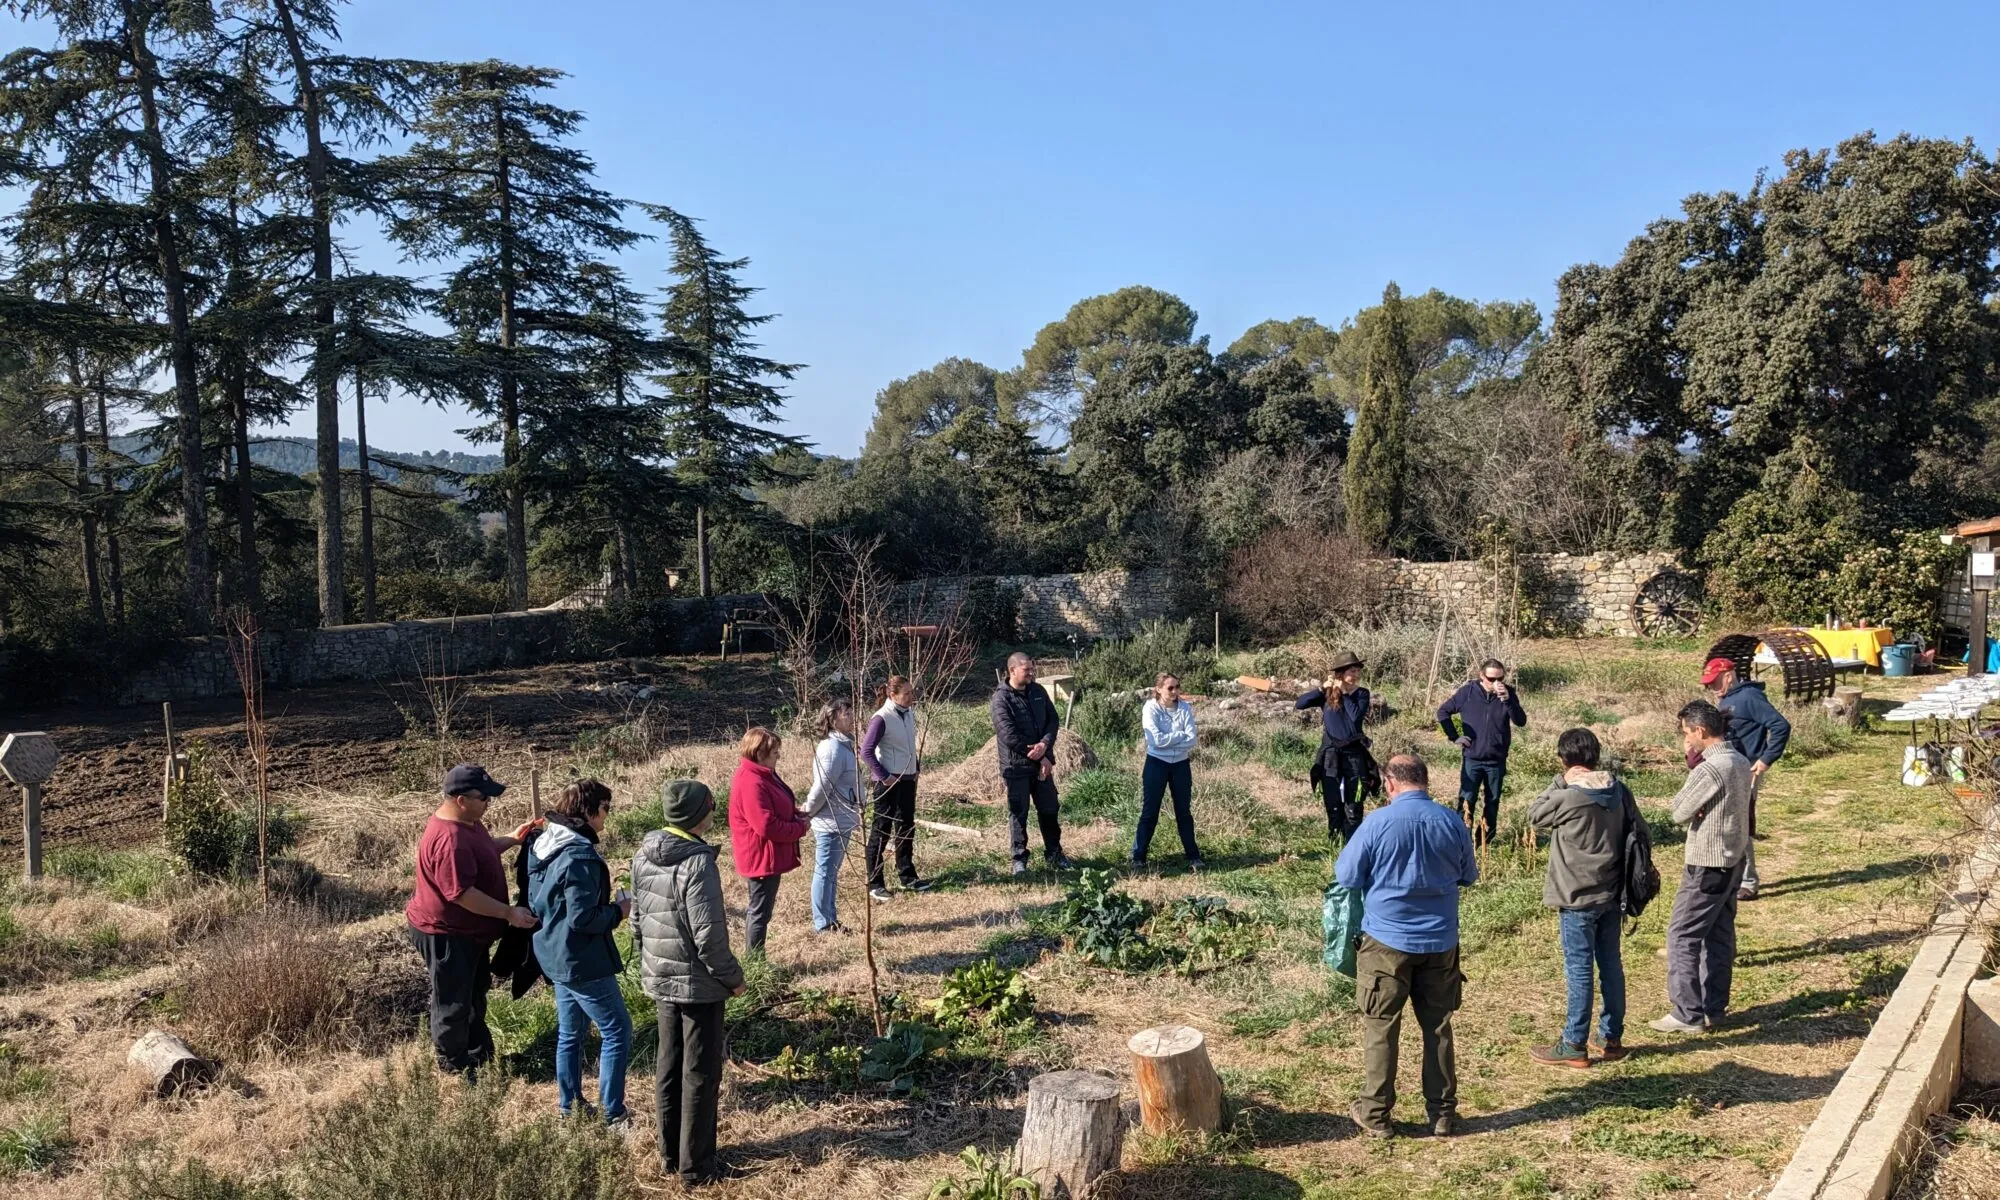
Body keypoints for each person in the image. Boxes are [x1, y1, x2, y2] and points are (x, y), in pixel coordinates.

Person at [1334, 752, 1478, 1138]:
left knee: (1381, 1027)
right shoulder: (1451, 821)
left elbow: (1346, 876)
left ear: (1390, 784)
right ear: (1426, 781)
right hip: (1440, 941)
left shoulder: (1377, 822)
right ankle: (1443, 1114)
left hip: (1386, 943)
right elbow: (1468, 875)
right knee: (1438, 1028)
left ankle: (1377, 1114)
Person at [632, 779, 747, 1186]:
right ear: (700, 813)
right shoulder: (698, 862)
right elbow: (709, 937)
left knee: (669, 1065)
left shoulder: (643, 854)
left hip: (660, 977)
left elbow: (638, 922)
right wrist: (733, 978)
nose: (715, 812)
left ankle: (669, 1154)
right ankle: (696, 1168)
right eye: (712, 807)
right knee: (699, 1073)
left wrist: (652, 963)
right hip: (698, 985)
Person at [405, 763, 540, 1076]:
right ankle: (453, 1067)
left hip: (469, 933)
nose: (488, 803)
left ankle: (479, 1057)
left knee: (474, 991)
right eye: (484, 798)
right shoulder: (449, 840)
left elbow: (479, 851)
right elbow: (462, 894)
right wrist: (509, 913)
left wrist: (511, 839)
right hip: (447, 935)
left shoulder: (467, 821)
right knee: (453, 1002)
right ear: (461, 799)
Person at [1527, 729, 1638, 1069]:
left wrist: (1560, 782)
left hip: (1576, 898)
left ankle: (1574, 1043)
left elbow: (1535, 815)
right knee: (1611, 965)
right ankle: (1611, 1038)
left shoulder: (1569, 796)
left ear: (1565, 760)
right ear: (1596, 755)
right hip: (1612, 893)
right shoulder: (1619, 791)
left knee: (1579, 971)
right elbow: (1640, 831)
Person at [526, 778, 633, 1123]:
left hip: (554, 953)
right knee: (617, 1029)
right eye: (604, 809)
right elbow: (583, 918)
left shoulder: (544, 843)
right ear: (587, 811)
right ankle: (614, 1115)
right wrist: (619, 911)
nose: (606, 816)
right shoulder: (579, 856)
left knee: (570, 1033)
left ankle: (569, 1108)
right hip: (582, 960)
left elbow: (537, 901)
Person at [1651, 700, 1753, 1034]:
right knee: (1720, 935)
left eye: (1687, 734)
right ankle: (1714, 1008)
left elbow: (1678, 810)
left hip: (1706, 863)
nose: (1687, 740)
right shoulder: (1739, 760)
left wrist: (1691, 766)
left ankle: (1686, 1012)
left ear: (1700, 730)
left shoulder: (1709, 769)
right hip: (1733, 860)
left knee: (1682, 935)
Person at [1701, 657, 1791, 901]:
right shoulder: (1727, 699)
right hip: (1728, 769)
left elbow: (1781, 726)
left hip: (1746, 771)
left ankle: (1748, 882)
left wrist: (1765, 759)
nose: (1712, 687)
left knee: (1740, 824)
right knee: (1730, 822)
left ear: (1728, 675)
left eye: (1715, 681)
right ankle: (1735, 875)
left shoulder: (1750, 697)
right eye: (1708, 684)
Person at [727, 727, 808, 953]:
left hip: (766, 854)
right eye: (774, 753)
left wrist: (793, 812)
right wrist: (799, 827)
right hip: (760, 856)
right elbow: (766, 825)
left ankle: (756, 957)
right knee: (760, 912)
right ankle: (755, 961)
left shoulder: (763, 774)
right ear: (759, 754)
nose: (778, 756)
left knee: (763, 910)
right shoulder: (752, 781)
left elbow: (774, 806)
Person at [991, 652, 1071, 875]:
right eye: (1027, 670)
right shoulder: (1001, 699)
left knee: (1050, 808)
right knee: (1019, 813)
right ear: (1012, 671)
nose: (1032, 673)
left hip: (1042, 764)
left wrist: (1045, 745)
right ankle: (1019, 859)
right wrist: (1038, 755)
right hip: (1016, 767)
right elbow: (1009, 735)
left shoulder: (1038, 691)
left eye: (1032, 669)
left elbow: (1052, 720)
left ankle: (1054, 853)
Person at [1437, 658, 1529, 846]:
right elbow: (1443, 712)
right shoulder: (1468, 693)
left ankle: (1484, 843)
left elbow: (1520, 721)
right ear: (1481, 676)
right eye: (1491, 678)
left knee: (1493, 801)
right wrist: (1455, 737)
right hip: (1473, 758)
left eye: (1500, 678)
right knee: (1466, 800)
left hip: (1496, 759)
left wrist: (1508, 701)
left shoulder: (1508, 693)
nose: (1496, 683)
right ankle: (1461, 843)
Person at [861, 676, 934, 902]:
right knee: (881, 831)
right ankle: (875, 882)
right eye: (907, 693)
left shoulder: (908, 713)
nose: (912, 697)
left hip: (907, 779)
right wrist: (884, 776)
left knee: (906, 827)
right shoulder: (881, 718)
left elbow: (909, 746)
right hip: (887, 783)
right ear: (893, 695)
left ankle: (907, 875)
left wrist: (916, 767)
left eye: (912, 692)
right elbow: (866, 751)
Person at [1295, 650, 1377, 842]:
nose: (1356, 675)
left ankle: (1353, 843)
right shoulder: (1327, 694)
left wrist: (1346, 695)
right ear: (1340, 673)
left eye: (1358, 671)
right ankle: (1334, 839)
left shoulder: (1362, 694)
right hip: (1330, 753)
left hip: (1354, 754)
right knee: (1332, 800)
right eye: (1352, 670)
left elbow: (1355, 717)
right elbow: (1300, 704)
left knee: (1354, 802)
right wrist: (1321, 689)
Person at [1134, 672, 1204, 871]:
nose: (1175, 691)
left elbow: (1191, 739)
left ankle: (1193, 855)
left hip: (1181, 765)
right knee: (1150, 812)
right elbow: (1155, 740)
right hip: (1156, 763)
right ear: (1159, 689)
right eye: (1170, 688)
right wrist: (1179, 737)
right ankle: (1138, 856)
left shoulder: (1185, 708)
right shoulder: (1151, 708)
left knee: (1184, 812)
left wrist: (1171, 740)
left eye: (1177, 687)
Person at [805, 700, 863, 933]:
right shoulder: (832, 749)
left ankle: (830, 918)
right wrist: (807, 811)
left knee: (831, 872)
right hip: (831, 822)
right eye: (846, 714)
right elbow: (822, 788)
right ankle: (823, 923)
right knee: (825, 871)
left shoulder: (844, 746)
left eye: (851, 712)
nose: (852, 717)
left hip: (842, 818)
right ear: (833, 719)